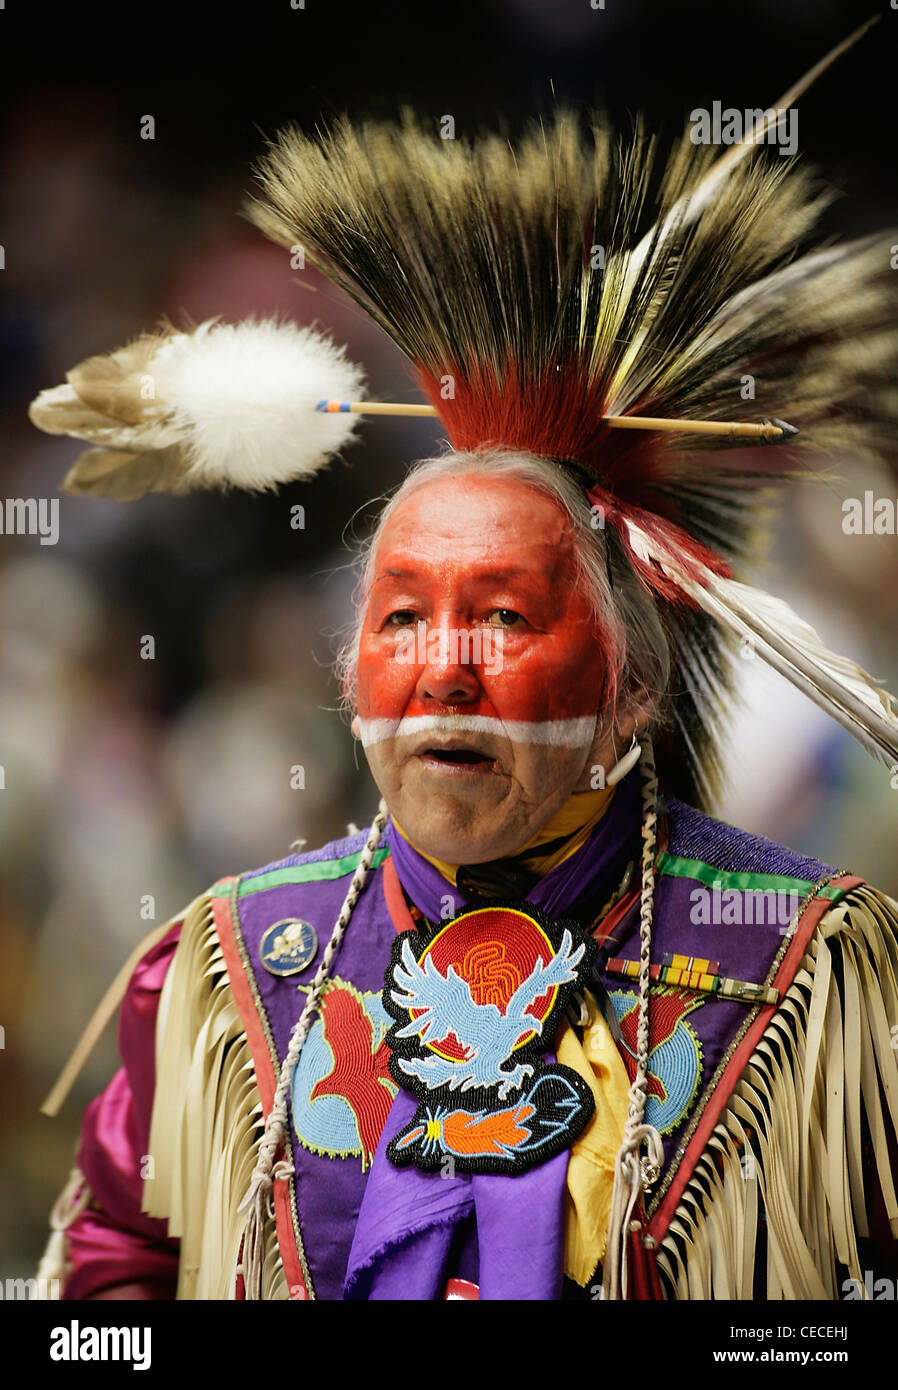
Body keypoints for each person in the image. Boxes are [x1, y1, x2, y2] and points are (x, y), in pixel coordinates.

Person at [30, 29, 898, 1300]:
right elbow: (107, 1286)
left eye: (502, 617)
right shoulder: (234, 971)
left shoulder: (799, 970)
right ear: (343, 674)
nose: (442, 668)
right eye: (399, 619)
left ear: (631, 686)